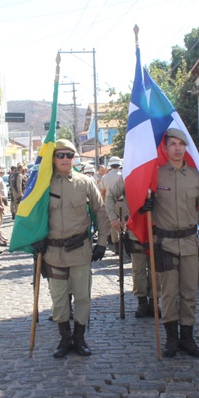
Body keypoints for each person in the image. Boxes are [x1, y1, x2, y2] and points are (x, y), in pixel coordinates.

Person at [140, 128, 199, 358]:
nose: (178, 148)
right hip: (165, 244)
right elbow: (139, 204)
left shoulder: (195, 176)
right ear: (165, 148)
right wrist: (144, 206)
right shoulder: (155, 175)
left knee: (189, 292)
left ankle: (187, 337)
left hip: (190, 243)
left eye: (181, 144)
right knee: (169, 294)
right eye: (173, 144)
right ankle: (171, 338)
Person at [33, 139, 111, 359]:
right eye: (60, 155)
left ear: (74, 158)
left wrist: (102, 242)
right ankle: (64, 338)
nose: (65, 159)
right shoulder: (43, 183)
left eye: (70, 155)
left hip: (80, 251)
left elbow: (100, 211)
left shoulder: (85, 182)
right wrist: (34, 238)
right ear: (53, 158)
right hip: (53, 253)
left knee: (82, 297)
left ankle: (79, 338)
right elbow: (30, 212)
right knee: (59, 299)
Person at [105, 168, 154, 318]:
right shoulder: (127, 175)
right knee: (138, 269)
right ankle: (142, 301)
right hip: (136, 229)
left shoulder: (158, 171)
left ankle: (154, 302)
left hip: (157, 228)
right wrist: (113, 218)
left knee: (156, 269)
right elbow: (110, 196)